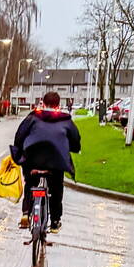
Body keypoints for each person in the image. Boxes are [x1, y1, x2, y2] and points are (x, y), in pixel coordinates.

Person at [13, 91, 81, 233]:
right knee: (56, 189)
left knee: (30, 183)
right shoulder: (65, 120)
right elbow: (75, 140)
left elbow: (20, 135)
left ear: (43, 103)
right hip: (55, 163)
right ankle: (55, 221)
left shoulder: (32, 117)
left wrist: (19, 149)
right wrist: (74, 148)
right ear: (58, 105)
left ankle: (26, 212)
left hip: (32, 160)